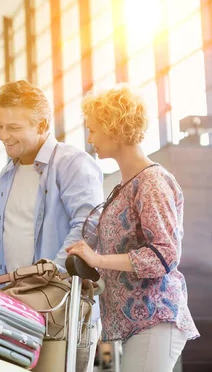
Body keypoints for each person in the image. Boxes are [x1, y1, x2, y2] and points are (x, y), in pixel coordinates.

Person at [67, 86, 199, 371]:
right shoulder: (122, 188)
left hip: (151, 319)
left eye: (93, 130)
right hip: (114, 326)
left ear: (114, 129)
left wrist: (98, 260)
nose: (90, 140)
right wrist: (97, 273)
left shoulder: (152, 182)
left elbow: (164, 255)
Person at [0, 80, 103, 371]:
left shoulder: (73, 163)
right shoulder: (7, 173)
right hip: (17, 310)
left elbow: (89, 226)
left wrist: (47, 275)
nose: (3, 135)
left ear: (42, 124)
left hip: (60, 309)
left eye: (13, 127)